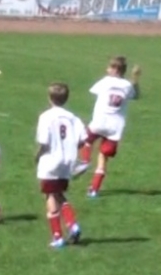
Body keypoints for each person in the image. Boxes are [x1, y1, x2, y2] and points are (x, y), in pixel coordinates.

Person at [77, 56, 142, 198]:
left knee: (86, 140)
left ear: (115, 70)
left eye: (109, 67)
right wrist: (135, 78)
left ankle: (85, 161)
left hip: (99, 122)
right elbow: (136, 95)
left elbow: (93, 91)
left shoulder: (105, 81)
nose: (107, 70)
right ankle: (94, 190)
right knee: (103, 158)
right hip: (115, 129)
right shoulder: (127, 85)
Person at [36, 83, 89, 248]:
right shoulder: (73, 118)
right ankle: (72, 224)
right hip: (67, 162)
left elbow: (44, 142)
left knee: (50, 195)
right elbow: (83, 139)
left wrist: (37, 155)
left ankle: (58, 236)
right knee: (59, 194)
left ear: (49, 98)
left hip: (50, 161)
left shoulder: (46, 116)